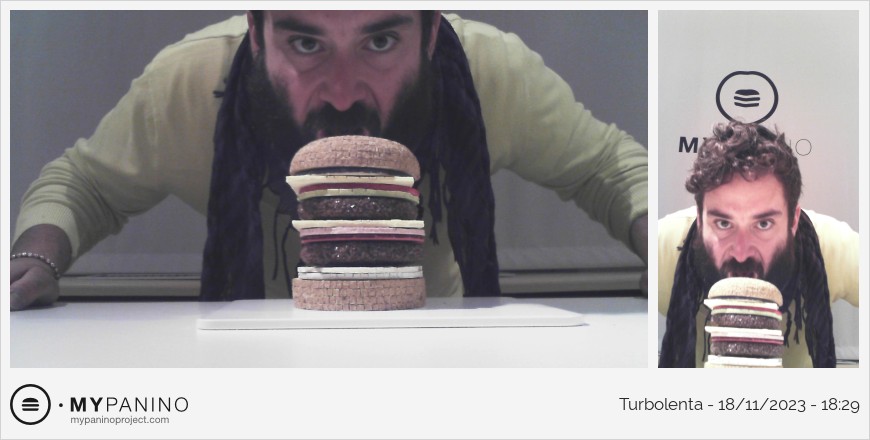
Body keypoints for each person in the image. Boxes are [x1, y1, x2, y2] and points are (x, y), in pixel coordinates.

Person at [10, 11, 648, 310]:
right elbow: (85, 185)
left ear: (430, 35)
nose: (342, 93)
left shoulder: (484, 74)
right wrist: (38, 259)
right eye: (306, 43)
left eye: (380, 40)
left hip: (432, 350)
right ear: (256, 35)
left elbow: (608, 169)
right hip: (246, 359)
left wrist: (679, 253)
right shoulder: (191, 83)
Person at [658, 121, 858, 368]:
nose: (741, 253)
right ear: (699, 219)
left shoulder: (830, 247)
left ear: (793, 220)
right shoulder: (664, 249)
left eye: (763, 224)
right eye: (723, 223)